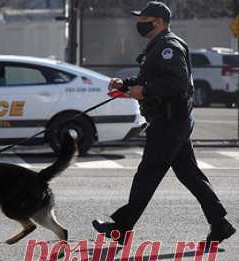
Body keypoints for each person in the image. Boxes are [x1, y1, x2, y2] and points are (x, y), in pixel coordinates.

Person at [92, 1, 235, 248]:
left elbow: (177, 84)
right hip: (172, 120)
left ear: (158, 21)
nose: (139, 22)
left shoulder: (169, 46)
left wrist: (145, 91)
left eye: (144, 18)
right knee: (190, 175)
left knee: (148, 173)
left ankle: (122, 228)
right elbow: (152, 77)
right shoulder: (159, 45)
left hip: (170, 122)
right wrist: (125, 84)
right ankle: (220, 223)